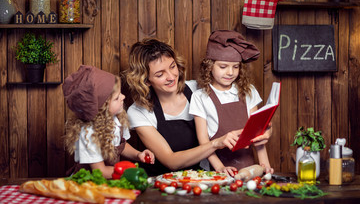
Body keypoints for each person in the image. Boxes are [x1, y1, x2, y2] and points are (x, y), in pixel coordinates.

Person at [125, 38, 271, 177]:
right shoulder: (139, 112)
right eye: (160, 74)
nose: (171, 76)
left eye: (172, 66)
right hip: (161, 183)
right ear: (145, 80)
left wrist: (266, 132)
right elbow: (171, 162)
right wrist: (216, 143)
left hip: (203, 178)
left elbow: (241, 112)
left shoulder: (199, 90)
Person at [189, 30, 273, 176]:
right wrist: (220, 168)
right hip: (215, 170)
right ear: (209, 66)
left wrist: (265, 166)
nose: (230, 72)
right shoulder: (200, 97)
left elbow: (257, 134)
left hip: (248, 167)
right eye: (223, 67)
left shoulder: (248, 91)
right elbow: (203, 140)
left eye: (235, 67)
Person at [62, 65, 155, 179]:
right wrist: (129, 172)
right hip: (90, 182)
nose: (123, 97)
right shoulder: (89, 133)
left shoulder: (116, 119)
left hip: (111, 178)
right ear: (103, 107)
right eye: (116, 98)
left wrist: (138, 155)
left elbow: (121, 146)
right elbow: (100, 171)